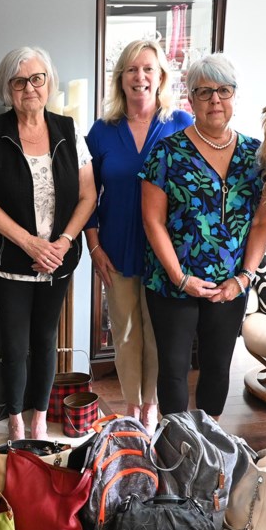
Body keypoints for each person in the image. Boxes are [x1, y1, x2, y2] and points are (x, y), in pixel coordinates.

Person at [0, 47, 96, 441]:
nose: (30, 88)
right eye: (20, 81)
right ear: (8, 88)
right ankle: (15, 420)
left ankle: (39, 419)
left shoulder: (69, 130)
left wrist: (63, 241)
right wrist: (29, 243)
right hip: (11, 260)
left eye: (37, 78)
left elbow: (89, 194)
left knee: (45, 340)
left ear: (49, 83)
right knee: (13, 343)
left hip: (58, 259)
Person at [140, 53, 266, 420]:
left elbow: (262, 222)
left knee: (217, 365)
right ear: (191, 100)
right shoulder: (166, 151)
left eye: (223, 90)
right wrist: (179, 278)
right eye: (204, 92)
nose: (215, 99)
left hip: (230, 283)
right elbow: (153, 221)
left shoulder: (258, 154)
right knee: (174, 368)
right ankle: (176, 445)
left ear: (234, 96)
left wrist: (244, 276)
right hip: (172, 282)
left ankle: (210, 441)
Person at [85, 40, 193, 431]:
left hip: (165, 250)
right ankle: (132, 405)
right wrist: (93, 245)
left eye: (148, 69)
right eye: (131, 69)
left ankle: (151, 406)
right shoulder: (101, 131)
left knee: (157, 331)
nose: (140, 77)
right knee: (126, 330)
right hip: (115, 247)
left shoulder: (180, 124)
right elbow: (86, 195)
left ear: (161, 76)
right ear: (121, 78)